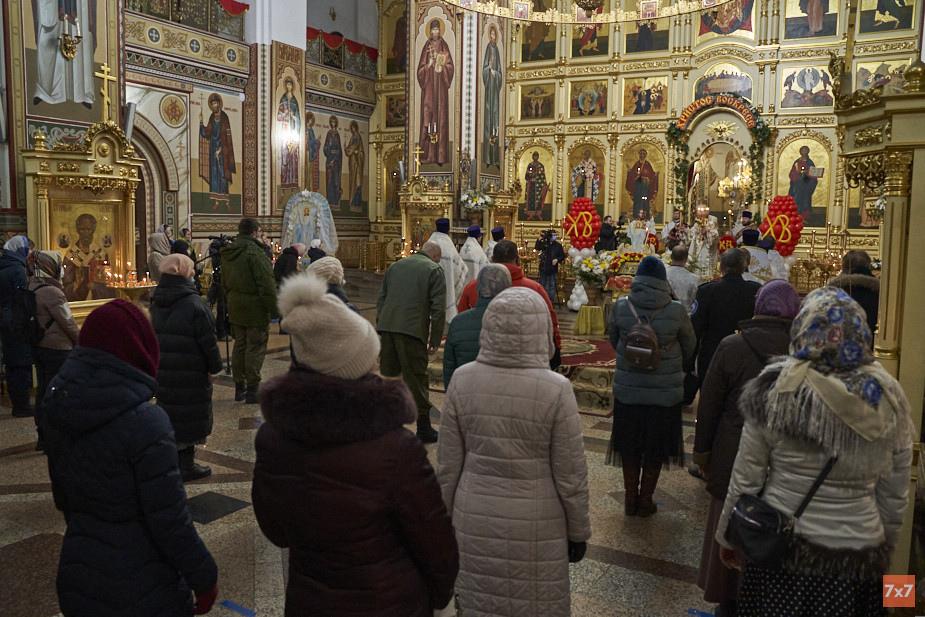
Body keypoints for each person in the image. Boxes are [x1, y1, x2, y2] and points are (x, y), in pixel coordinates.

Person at [253, 273, 458, 616]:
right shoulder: (395, 449)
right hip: (387, 601)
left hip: (310, 602)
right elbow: (434, 543)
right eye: (370, 354)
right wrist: (439, 598)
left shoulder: (273, 437)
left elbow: (276, 531)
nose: (376, 362)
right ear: (352, 364)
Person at [716, 287, 913, 617]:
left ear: (802, 329)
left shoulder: (776, 386)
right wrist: (885, 543)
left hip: (782, 548)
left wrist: (728, 537)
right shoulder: (886, 393)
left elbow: (746, 477)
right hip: (858, 554)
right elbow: (894, 494)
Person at [44, 299, 219, 617]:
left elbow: (63, 498)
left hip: (78, 573)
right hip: (144, 583)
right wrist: (204, 578)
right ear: (138, 348)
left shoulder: (57, 403)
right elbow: (170, 521)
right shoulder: (146, 423)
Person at [437, 287, 591, 616]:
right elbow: (570, 474)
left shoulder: (462, 380)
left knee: (479, 603)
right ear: (542, 330)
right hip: (537, 522)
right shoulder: (556, 388)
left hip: (474, 518)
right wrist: (578, 530)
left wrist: (443, 521)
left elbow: (448, 467)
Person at [693, 280, 801, 617]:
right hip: (788, 470)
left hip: (730, 449)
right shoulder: (803, 354)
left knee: (731, 520)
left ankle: (729, 595)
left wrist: (703, 454)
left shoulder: (731, 345)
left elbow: (709, 404)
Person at [607, 257, 696, 516]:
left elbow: (614, 340)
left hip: (628, 391)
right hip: (664, 394)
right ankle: (646, 499)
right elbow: (690, 346)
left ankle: (629, 498)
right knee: (656, 447)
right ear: (662, 281)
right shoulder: (676, 310)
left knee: (629, 446)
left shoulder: (621, 305)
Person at [150, 254, 223, 482]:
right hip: (191, 370)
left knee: (172, 411)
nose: (194, 273)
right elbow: (208, 342)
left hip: (164, 368)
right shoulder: (194, 303)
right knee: (189, 414)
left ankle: (173, 460)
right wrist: (215, 368)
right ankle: (187, 465)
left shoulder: (156, 300)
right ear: (183, 272)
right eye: (191, 270)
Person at [376, 241, 446, 442]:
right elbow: (438, 308)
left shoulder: (396, 266)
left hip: (388, 328)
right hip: (412, 331)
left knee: (389, 376)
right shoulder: (434, 270)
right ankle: (423, 428)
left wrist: (381, 324)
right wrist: (435, 337)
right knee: (416, 378)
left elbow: (381, 298)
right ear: (435, 254)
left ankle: (386, 426)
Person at [457, 240, 563, 366]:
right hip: (525, 356)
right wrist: (556, 348)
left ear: (492, 259)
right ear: (518, 260)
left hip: (479, 353)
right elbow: (550, 321)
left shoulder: (473, 287)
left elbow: (462, 320)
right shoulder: (535, 288)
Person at [221, 218, 281, 404]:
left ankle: (239, 388)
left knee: (240, 345)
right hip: (255, 309)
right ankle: (253, 390)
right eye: (260, 232)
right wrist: (275, 311)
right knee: (254, 346)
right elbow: (267, 286)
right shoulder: (255, 253)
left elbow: (223, 283)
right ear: (254, 232)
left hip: (235, 307)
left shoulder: (228, 252)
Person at [27, 250, 80, 450]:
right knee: (58, 392)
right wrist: (81, 341)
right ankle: (56, 435)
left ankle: (42, 436)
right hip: (57, 348)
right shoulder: (53, 292)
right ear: (51, 267)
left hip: (38, 346)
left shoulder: (30, 286)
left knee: (43, 390)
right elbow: (68, 322)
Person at [691, 248, 761, 388]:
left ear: (721, 267)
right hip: (744, 356)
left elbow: (695, 328)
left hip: (712, 354)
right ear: (744, 266)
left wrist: (690, 362)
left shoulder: (706, 291)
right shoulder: (755, 291)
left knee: (710, 395)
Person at [442, 264, 511, 389]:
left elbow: (449, 369)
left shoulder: (458, 322)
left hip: (465, 391)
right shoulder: (517, 320)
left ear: (479, 288)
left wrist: (452, 396)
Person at [0, 236, 34, 417]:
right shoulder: (17, 270)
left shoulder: (4, 265)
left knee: (12, 363)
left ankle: (17, 404)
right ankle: (22, 406)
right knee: (22, 362)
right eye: (29, 250)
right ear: (21, 250)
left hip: (4, 320)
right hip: (16, 321)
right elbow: (23, 300)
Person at [417, 19, 455, 165]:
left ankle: (440, 156)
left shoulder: (444, 45)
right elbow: (420, 71)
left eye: (437, 29)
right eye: (433, 30)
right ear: (430, 31)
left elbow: (450, 66)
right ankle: (427, 154)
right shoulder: (426, 47)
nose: (435, 32)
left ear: (440, 31)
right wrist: (429, 65)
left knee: (441, 119)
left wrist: (442, 67)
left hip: (441, 90)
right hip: (429, 90)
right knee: (428, 117)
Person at [828, 249, 879, 338]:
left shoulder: (833, 290)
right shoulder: (879, 291)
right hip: (872, 341)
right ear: (869, 267)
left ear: (844, 268)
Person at [427, 218, 468, 322]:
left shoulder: (429, 243)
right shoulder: (449, 247)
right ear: (448, 229)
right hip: (447, 284)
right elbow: (460, 269)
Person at [62, 213, 109, 301]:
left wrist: (96, 287)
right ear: (78, 230)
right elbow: (65, 284)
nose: (86, 233)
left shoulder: (101, 254)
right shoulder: (70, 256)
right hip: (76, 302)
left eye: (89, 229)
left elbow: (107, 283)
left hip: (96, 302)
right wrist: (75, 285)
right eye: (82, 229)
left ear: (93, 229)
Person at [199, 93, 236, 195]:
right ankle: (215, 196)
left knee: (222, 171)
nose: (214, 105)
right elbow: (207, 132)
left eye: (216, 103)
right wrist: (201, 122)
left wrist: (221, 149)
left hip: (222, 149)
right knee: (214, 171)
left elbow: (227, 138)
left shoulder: (224, 118)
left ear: (219, 104)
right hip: (212, 147)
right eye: (213, 104)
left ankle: (224, 195)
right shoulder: (212, 117)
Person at [482, 25, 502, 168]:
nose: (493, 37)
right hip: (488, 90)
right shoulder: (488, 49)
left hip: (495, 92)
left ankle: (495, 159)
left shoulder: (498, 51)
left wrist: (496, 73)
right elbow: (484, 70)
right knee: (488, 119)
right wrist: (488, 70)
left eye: (495, 35)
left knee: (495, 119)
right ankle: (487, 158)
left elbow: (500, 72)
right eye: (492, 35)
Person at [277, 77, 301, 187]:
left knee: (293, 157)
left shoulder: (295, 101)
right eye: (287, 84)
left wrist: (293, 116)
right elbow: (278, 116)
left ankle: (293, 183)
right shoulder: (282, 99)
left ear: (292, 86)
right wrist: (285, 113)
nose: (289, 86)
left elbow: (298, 118)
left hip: (293, 131)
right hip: (285, 130)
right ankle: (284, 182)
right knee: (285, 155)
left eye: (290, 85)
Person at [666, 245, 701, 314]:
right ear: (686, 259)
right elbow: (696, 302)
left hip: (665, 315)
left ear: (671, 257)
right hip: (686, 316)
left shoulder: (662, 275)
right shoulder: (695, 279)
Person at [625, 149, 659, 219]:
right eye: (640, 154)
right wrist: (630, 171)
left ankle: (645, 215)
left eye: (643, 154)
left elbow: (651, 174)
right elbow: (633, 174)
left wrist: (655, 175)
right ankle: (636, 214)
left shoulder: (647, 164)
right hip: (638, 185)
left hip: (645, 185)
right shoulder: (637, 164)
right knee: (637, 199)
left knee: (645, 200)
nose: (642, 155)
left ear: (645, 155)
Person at [535, 229, 565, 305]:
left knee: (552, 286)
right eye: (553, 235)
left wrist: (557, 259)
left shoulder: (558, 246)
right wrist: (539, 240)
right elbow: (537, 248)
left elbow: (562, 256)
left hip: (553, 268)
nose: (555, 236)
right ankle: (542, 302)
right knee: (542, 285)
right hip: (544, 267)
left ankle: (550, 302)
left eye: (555, 235)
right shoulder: (545, 244)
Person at [788, 145, 818, 218]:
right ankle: (795, 215)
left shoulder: (810, 162)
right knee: (796, 199)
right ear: (800, 152)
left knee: (805, 200)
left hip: (806, 186)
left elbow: (813, 175)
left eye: (805, 150)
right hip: (797, 186)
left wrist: (807, 173)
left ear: (808, 152)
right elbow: (791, 174)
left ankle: (804, 216)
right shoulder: (797, 162)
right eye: (802, 150)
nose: (804, 152)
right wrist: (797, 172)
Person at [345, 120, 365, 212]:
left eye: (354, 128)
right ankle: (351, 203)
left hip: (358, 162)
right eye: (351, 128)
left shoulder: (359, 138)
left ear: (356, 128)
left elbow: (362, 152)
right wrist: (347, 149)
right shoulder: (352, 138)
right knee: (352, 180)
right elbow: (349, 149)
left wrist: (357, 152)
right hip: (352, 162)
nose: (353, 129)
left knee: (357, 182)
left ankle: (357, 204)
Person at [324, 115, 343, 208]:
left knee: (336, 181)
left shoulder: (337, 135)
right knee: (329, 180)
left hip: (335, 162)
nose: (333, 124)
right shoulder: (328, 134)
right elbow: (325, 148)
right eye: (332, 122)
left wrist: (334, 159)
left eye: (334, 122)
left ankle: (335, 201)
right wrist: (329, 144)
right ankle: (330, 201)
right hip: (329, 160)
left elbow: (339, 150)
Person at [524, 151, 548, 220]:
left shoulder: (541, 166)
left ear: (538, 157)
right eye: (534, 156)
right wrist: (531, 174)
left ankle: (538, 213)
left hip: (539, 186)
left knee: (539, 199)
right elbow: (527, 176)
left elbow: (543, 177)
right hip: (531, 184)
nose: (535, 157)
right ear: (532, 157)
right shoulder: (530, 165)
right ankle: (531, 214)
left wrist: (545, 185)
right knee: (531, 199)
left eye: (536, 156)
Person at [306, 112, 320, 192]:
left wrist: (316, 141)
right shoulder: (304, 129)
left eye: (312, 121)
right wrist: (315, 141)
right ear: (307, 120)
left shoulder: (311, 130)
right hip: (306, 152)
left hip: (310, 153)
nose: (311, 122)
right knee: (306, 171)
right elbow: (308, 141)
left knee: (310, 171)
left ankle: (310, 189)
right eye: (310, 120)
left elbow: (313, 141)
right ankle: (306, 189)